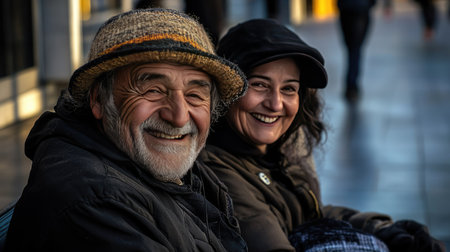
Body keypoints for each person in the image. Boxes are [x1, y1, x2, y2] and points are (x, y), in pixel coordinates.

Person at [4, 8, 248, 251]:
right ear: (98, 99)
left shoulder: (165, 169)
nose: (178, 116)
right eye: (153, 90)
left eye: (195, 95)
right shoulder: (96, 203)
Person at [199, 18, 445, 252]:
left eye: (289, 89)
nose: (276, 104)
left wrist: (384, 228)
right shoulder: (218, 173)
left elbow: (309, 213)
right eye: (260, 84)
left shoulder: (278, 151)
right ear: (225, 90)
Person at [336, 0, 390, 102]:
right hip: (360, 8)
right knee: (355, 48)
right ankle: (352, 85)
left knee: (352, 48)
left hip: (348, 8)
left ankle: (351, 84)